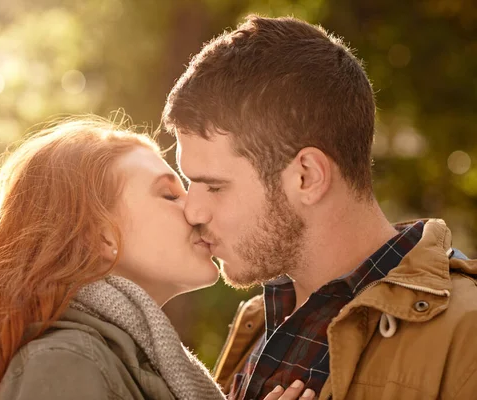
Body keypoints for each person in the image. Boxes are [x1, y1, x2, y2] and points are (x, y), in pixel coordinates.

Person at [162, 15, 477, 400]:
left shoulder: (466, 337)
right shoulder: (257, 326)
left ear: (307, 177)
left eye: (214, 186)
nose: (192, 212)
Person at [0, 119, 231, 400]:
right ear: (100, 235)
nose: (195, 209)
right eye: (170, 194)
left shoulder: (107, 357)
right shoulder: (68, 363)